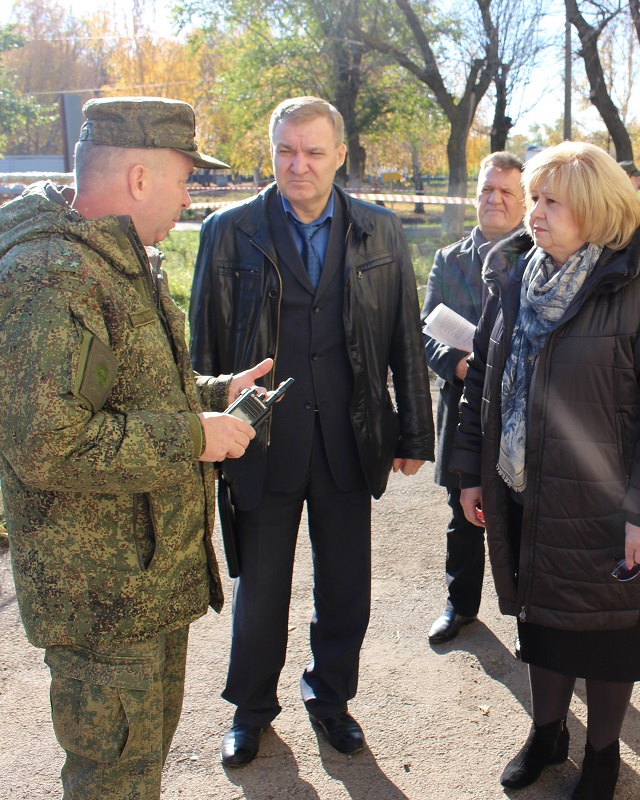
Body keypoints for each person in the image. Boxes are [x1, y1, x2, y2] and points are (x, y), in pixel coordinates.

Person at [0, 97, 267, 799]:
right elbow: (50, 444)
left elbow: (126, 390)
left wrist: (214, 394)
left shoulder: (110, 260)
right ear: (139, 178)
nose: (189, 195)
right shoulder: (47, 277)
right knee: (113, 783)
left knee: (139, 775)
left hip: (145, 586)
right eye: (184, 178)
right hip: (101, 603)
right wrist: (196, 435)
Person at [450, 142, 640, 799]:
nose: (533, 212)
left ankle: (602, 752)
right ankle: (546, 733)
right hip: (529, 496)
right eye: (532, 198)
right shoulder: (511, 281)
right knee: (543, 629)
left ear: (591, 210)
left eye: (549, 200)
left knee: (609, 639)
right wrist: (471, 472)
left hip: (610, 510)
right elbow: (483, 379)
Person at [189, 96, 434, 767]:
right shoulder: (229, 232)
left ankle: (331, 700)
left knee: (346, 586)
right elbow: (203, 347)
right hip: (259, 444)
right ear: (270, 151)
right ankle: (251, 710)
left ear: (339, 155)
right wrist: (200, 433)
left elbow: (403, 340)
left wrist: (414, 431)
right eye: (286, 151)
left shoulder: (379, 232)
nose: (299, 165)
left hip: (350, 440)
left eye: (314, 152)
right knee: (261, 588)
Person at [423, 151, 526, 644]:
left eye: (507, 191)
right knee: (462, 517)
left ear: (524, 202)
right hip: (464, 405)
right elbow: (424, 333)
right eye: (488, 190)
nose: (495, 199)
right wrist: (458, 364)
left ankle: (534, 613)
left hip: (520, 411)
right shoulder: (449, 259)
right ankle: (460, 605)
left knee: (525, 514)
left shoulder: (538, 256)